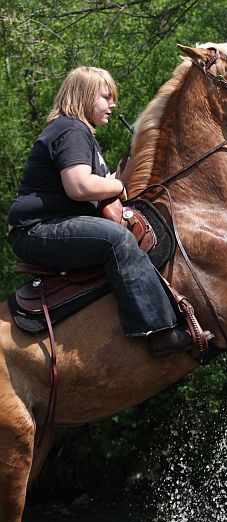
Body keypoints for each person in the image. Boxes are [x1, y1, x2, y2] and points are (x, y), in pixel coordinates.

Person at [7, 66, 192, 358]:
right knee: (116, 239)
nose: (113, 104)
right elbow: (79, 186)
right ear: (84, 96)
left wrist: (117, 180)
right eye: (106, 97)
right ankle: (160, 332)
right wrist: (117, 185)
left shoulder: (78, 133)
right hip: (39, 229)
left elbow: (98, 187)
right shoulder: (71, 129)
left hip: (50, 226)